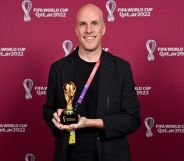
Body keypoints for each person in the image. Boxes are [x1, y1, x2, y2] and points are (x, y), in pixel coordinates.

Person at [43, 3, 141, 161]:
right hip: (69, 155)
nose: (89, 30)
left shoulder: (121, 68)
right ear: (76, 30)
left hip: (111, 156)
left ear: (103, 28)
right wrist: (57, 118)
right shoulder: (58, 69)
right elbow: (48, 110)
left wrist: (91, 123)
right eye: (83, 24)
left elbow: (132, 119)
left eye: (94, 23)